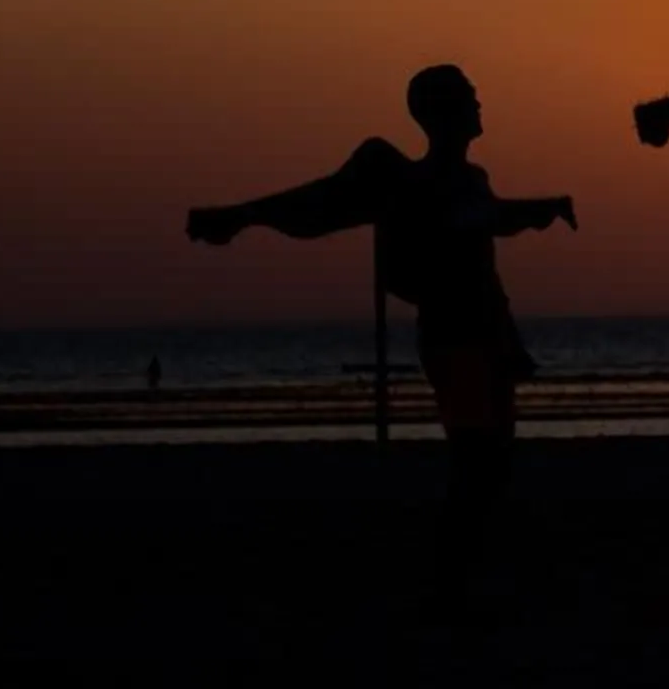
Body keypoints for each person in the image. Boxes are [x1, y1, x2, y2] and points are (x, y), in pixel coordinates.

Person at [187, 64, 575, 617]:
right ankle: (450, 583)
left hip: (489, 335)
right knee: (476, 462)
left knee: (493, 463)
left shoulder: (471, 179)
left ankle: (460, 574)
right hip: (454, 337)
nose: (479, 103)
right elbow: (324, 202)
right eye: (469, 96)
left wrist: (539, 215)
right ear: (441, 113)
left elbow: (488, 224)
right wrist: (243, 216)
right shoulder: (417, 182)